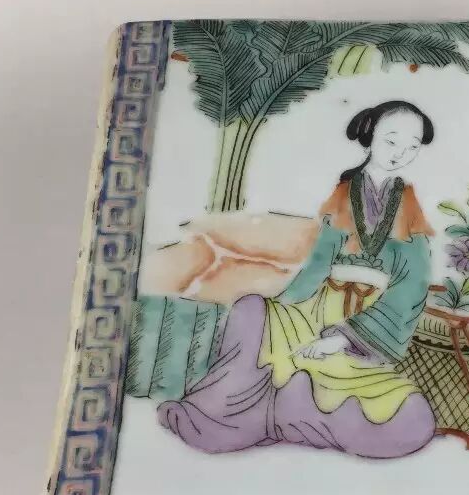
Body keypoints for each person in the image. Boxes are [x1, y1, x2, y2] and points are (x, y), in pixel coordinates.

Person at [157, 100, 438, 459]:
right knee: (252, 312)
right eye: (392, 141)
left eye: (412, 146)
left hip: (364, 329)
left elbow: (413, 284)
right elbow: (318, 264)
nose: (400, 154)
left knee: (410, 419)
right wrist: (283, 309)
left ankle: (287, 412)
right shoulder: (344, 193)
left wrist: (343, 338)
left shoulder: (408, 205)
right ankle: (248, 415)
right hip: (316, 307)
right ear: (370, 136)